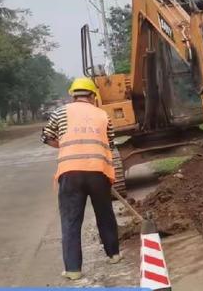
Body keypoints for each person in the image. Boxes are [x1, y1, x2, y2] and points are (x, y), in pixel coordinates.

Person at [41, 77, 121, 280]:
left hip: (71, 172)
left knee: (70, 220)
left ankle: (73, 269)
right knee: (105, 214)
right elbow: (110, 144)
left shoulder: (60, 113)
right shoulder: (103, 115)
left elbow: (47, 136)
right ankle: (113, 255)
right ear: (93, 95)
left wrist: (66, 145)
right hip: (98, 172)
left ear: (72, 95)